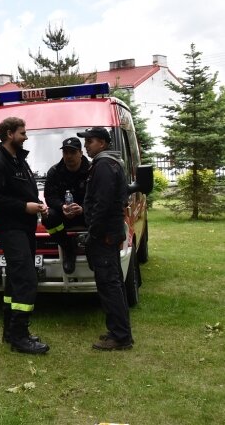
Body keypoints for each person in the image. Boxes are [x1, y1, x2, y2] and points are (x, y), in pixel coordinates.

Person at [0, 117, 50, 354]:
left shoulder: (18, 159)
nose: (26, 136)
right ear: (9, 134)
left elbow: (24, 190)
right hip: (11, 228)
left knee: (14, 279)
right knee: (26, 279)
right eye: (22, 133)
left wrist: (38, 204)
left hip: (25, 227)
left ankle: (10, 332)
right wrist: (24, 207)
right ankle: (21, 337)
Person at [77, 126, 133, 351]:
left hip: (105, 236)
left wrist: (94, 233)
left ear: (102, 142)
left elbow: (102, 204)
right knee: (113, 284)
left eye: (89, 141)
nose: (86, 146)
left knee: (109, 285)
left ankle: (120, 336)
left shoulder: (103, 166)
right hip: (108, 233)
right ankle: (118, 330)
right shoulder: (107, 164)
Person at [42, 137, 90, 274]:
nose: (68, 156)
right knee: (48, 216)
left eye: (72, 152)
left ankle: (92, 250)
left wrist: (83, 209)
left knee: (99, 213)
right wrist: (62, 207)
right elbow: (49, 197)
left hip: (86, 213)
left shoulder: (92, 169)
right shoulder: (54, 171)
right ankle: (67, 248)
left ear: (81, 153)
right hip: (64, 214)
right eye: (65, 152)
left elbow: (99, 197)